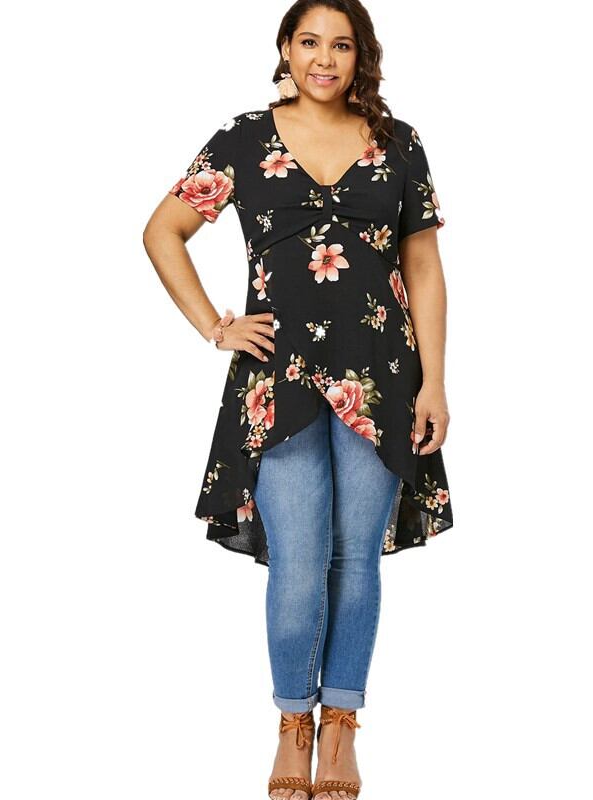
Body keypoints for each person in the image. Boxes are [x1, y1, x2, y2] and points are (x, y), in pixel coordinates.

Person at [143, 2, 453, 797]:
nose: (324, 58)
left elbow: (423, 267)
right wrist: (216, 325)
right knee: (299, 563)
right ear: (286, 48)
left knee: (357, 559)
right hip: (275, 379)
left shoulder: (398, 142)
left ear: (360, 57)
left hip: (382, 377)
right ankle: (293, 724)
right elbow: (162, 231)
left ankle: (341, 726)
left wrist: (435, 382)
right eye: (310, 42)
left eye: (341, 45)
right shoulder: (244, 138)